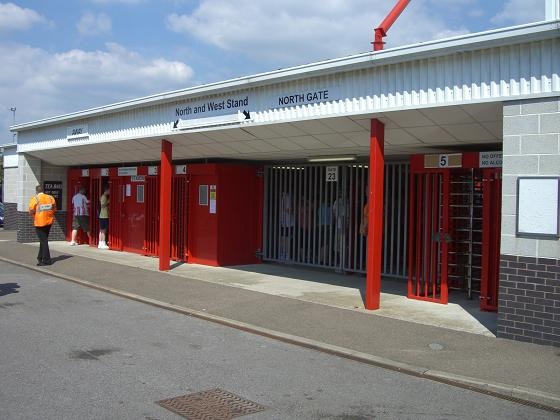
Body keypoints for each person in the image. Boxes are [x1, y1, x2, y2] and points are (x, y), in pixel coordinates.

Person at [28, 185, 57, 266]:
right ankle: (40, 257)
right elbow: (54, 209)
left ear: (36, 191)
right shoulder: (50, 198)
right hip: (49, 222)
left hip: (39, 222)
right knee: (43, 240)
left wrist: (34, 215)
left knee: (44, 241)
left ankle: (46, 260)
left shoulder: (35, 199)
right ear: (43, 190)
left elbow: (31, 210)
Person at [98, 185, 110, 249]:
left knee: (101, 230)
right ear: (107, 190)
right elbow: (102, 205)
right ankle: (103, 243)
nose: (110, 192)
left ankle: (100, 243)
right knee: (104, 230)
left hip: (102, 215)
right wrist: (108, 202)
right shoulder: (104, 197)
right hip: (104, 215)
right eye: (109, 190)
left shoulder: (103, 196)